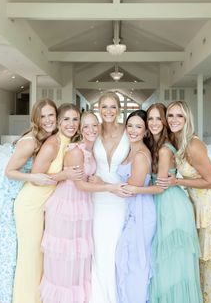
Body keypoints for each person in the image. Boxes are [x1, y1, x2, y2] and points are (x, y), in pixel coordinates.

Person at [40, 111, 126, 303]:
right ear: (80, 129)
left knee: (78, 257)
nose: (91, 130)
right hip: (67, 207)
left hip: (82, 205)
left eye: (94, 125)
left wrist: (99, 180)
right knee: (66, 257)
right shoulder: (76, 151)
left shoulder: (91, 150)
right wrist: (109, 187)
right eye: (86, 126)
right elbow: (79, 185)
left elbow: (87, 179)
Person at [124, 103, 202, 302]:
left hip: (171, 205)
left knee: (172, 268)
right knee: (161, 264)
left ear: (165, 122)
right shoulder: (152, 144)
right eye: (150, 118)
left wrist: (135, 189)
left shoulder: (165, 150)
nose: (154, 123)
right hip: (160, 203)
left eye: (159, 118)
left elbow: (160, 187)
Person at [158, 100, 211, 303]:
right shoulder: (177, 140)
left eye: (179, 116)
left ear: (187, 118)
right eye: (170, 115)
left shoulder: (192, 144)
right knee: (203, 263)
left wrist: (177, 181)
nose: (174, 120)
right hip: (199, 204)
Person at [12, 103, 81, 303]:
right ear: (59, 121)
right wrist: (64, 174)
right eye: (66, 119)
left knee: (39, 257)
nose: (71, 124)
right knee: (30, 257)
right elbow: (35, 177)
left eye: (75, 119)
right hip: (31, 205)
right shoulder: (53, 144)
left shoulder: (67, 142)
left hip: (44, 204)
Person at [0, 98, 58, 303]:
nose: (48, 120)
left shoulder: (48, 137)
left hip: (20, 192)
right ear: (36, 119)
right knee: (9, 252)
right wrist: (33, 177)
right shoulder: (30, 141)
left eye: (51, 115)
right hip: (7, 195)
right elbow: (9, 172)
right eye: (43, 116)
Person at [89, 91, 130, 303]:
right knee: (99, 247)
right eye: (104, 106)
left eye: (112, 106)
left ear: (119, 109)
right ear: (98, 109)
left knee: (117, 248)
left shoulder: (128, 131)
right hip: (97, 199)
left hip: (122, 198)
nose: (108, 111)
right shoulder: (92, 131)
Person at [115, 110, 158, 303]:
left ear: (146, 131)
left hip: (140, 212)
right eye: (130, 125)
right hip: (132, 210)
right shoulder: (131, 150)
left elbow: (131, 189)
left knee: (136, 264)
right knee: (128, 261)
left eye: (138, 126)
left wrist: (101, 184)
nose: (133, 130)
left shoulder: (140, 155)